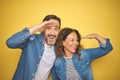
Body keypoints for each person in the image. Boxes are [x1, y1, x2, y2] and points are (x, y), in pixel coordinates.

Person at [6, 14, 61, 80]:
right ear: (43, 29)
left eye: (56, 29)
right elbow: (10, 43)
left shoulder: (59, 48)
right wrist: (37, 27)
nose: (52, 33)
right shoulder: (32, 40)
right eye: (48, 28)